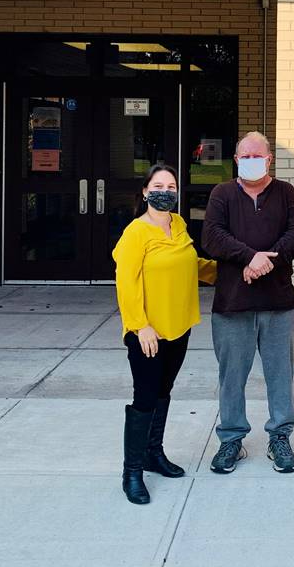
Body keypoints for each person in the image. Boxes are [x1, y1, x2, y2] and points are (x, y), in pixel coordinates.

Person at [202, 131, 294, 474]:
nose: (251, 161)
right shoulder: (222, 194)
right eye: (244, 156)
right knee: (231, 376)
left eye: (257, 155)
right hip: (232, 306)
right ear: (236, 160)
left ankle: (280, 436)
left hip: (279, 304)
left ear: (269, 158)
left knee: (280, 376)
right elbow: (212, 237)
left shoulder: (286, 193)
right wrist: (250, 257)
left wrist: (265, 263)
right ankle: (232, 439)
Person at [113, 164, 217, 504]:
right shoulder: (135, 233)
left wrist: (227, 271)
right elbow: (126, 283)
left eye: (171, 186)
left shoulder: (179, 224)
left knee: (163, 391)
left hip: (179, 325)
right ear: (145, 191)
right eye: (158, 185)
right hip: (148, 332)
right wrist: (140, 325)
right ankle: (132, 471)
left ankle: (153, 454)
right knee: (144, 398)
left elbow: (190, 263)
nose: (166, 191)